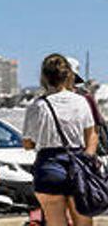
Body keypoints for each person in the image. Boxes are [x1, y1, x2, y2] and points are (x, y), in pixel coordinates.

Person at [23, 54, 97, 226]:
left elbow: (27, 143)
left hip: (48, 166)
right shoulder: (80, 102)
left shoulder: (37, 105)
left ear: (44, 77)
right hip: (77, 164)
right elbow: (92, 134)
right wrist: (87, 158)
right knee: (84, 222)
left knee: (55, 222)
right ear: (69, 75)